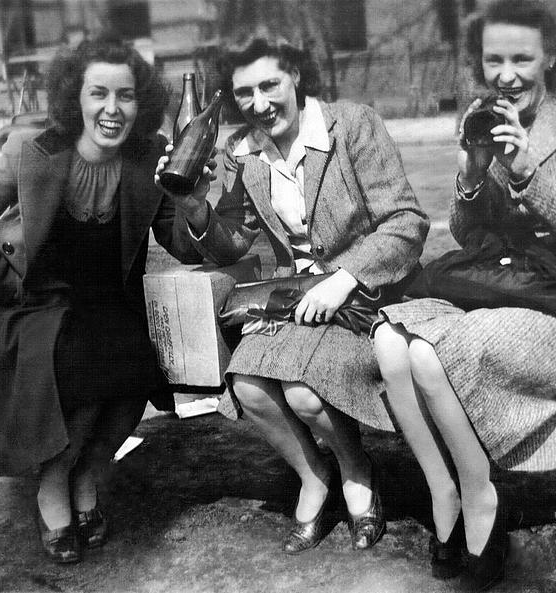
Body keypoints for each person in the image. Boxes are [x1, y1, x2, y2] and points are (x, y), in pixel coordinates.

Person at [372, 0, 556, 589]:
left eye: (521, 58)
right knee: (388, 338)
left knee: (434, 353)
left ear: (550, 57)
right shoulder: (482, 114)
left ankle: (481, 495)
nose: (506, 73)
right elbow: (468, 234)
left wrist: (527, 167)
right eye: (494, 59)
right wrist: (473, 171)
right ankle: (445, 489)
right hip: (496, 286)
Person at [0, 37, 201, 564]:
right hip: (38, 312)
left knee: (137, 367)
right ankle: (52, 487)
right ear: (73, 97)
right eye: (98, 93)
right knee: (77, 366)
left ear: (139, 102)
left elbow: (182, 244)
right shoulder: (30, 153)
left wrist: (192, 206)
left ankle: (88, 472)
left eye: (125, 96)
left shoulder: (148, 157)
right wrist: (9, 287)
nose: (111, 109)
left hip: (111, 306)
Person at [155, 36, 429, 554]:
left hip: (367, 294)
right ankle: (312, 474)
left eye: (269, 85)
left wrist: (344, 277)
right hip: (294, 300)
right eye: (244, 93)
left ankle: (356, 469)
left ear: (296, 76)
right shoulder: (244, 153)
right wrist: (194, 208)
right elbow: (232, 241)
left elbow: (405, 222)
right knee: (249, 387)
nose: (258, 105)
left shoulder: (352, 125)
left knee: (304, 393)